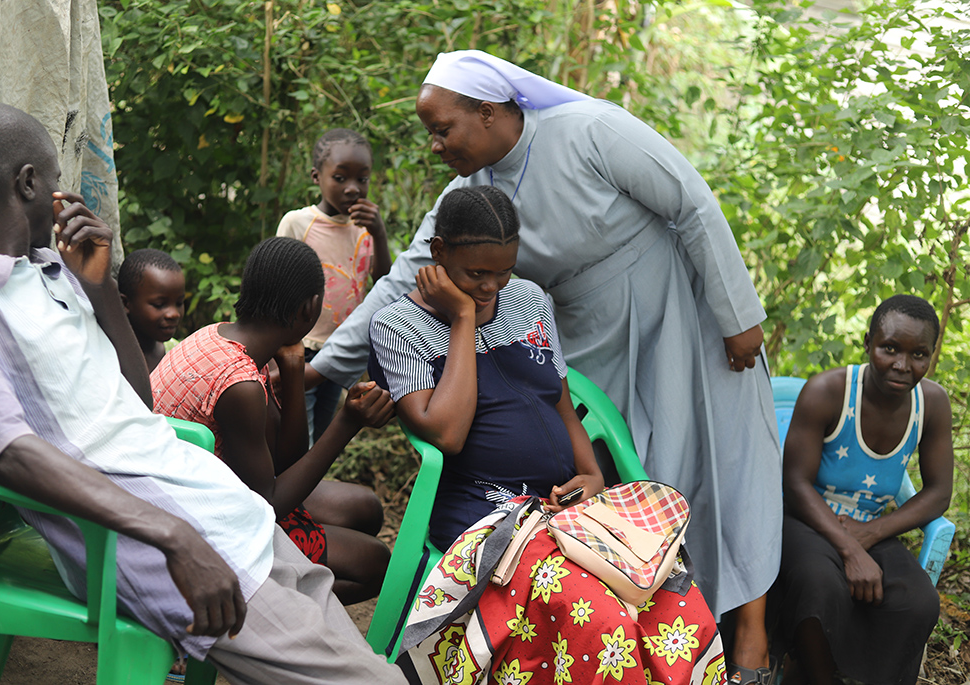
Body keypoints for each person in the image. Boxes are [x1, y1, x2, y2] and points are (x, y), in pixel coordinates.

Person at [307, 49, 781, 678]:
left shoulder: (591, 130)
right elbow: (398, 288)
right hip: (587, 332)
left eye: (442, 129)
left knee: (723, 456)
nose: (435, 146)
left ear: (488, 111)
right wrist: (319, 371)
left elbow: (691, 202)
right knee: (638, 465)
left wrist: (738, 316)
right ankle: (647, 630)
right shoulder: (468, 198)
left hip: (677, 311)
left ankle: (750, 631)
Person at [0, 101, 404, 684]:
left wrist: (99, 293)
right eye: (53, 180)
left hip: (222, 507)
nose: (61, 194)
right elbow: (6, 450)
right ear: (28, 184)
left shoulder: (51, 269)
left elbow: (137, 403)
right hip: (156, 538)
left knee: (357, 655)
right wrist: (172, 535)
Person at [369, 185, 725, 684]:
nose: (492, 285)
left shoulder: (530, 301)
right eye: (476, 273)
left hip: (568, 507)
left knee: (669, 600)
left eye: (504, 271)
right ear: (439, 253)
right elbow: (447, 434)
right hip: (491, 515)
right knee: (600, 618)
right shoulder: (399, 326)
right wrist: (463, 318)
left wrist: (591, 472)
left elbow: (561, 404)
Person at [152, 237, 391, 605]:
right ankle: (246, 611)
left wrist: (294, 374)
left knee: (365, 509)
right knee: (375, 563)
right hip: (202, 524)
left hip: (214, 493)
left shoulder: (220, 337)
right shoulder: (239, 384)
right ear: (309, 310)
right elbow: (267, 504)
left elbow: (286, 463)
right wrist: (346, 423)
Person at [774, 294, 953, 685]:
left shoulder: (933, 404)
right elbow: (795, 483)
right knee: (819, 586)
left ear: (931, 353)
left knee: (919, 601)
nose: (903, 365)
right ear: (868, 341)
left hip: (871, 525)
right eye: (890, 348)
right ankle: (818, 676)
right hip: (809, 518)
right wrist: (850, 548)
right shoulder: (829, 391)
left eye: (919, 354)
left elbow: (939, 492)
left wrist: (867, 534)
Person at [277, 128, 391, 446]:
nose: (353, 189)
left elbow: (384, 283)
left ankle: (307, 492)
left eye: (362, 179)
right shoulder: (298, 223)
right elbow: (277, 285)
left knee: (323, 433)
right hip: (304, 349)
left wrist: (379, 234)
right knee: (300, 438)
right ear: (317, 176)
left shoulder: (365, 229)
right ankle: (289, 493)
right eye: (340, 178)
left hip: (343, 350)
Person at [118, 248, 186, 372]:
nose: (174, 314)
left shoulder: (176, 353)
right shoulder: (111, 357)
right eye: (159, 304)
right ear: (126, 303)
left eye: (179, 303)